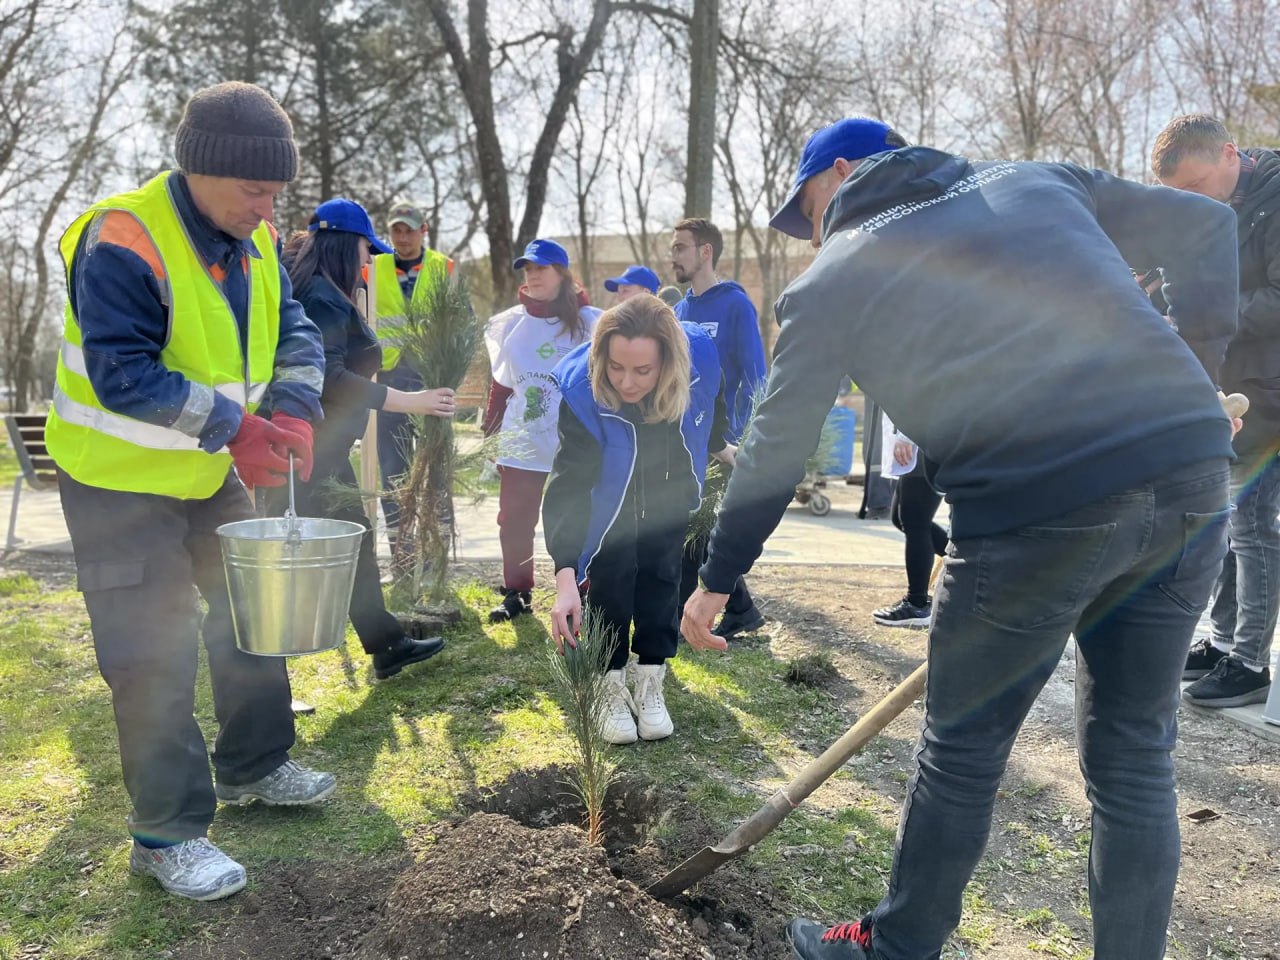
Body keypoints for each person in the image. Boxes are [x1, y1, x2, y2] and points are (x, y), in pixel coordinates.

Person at [681, 117, 1241, 960]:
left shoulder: (833, 276)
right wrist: (1200, 367)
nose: (813, 230)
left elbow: (776, 440)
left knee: (963, 747)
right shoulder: (1036, 181)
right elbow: (1209, 225)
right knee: (1133, 756)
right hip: (1192, 471)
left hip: (1034, 507)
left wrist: (717, 576)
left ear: (840, 173)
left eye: (808, 209)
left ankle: (893, 947)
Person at [46, 82, 336, 902]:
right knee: (153, 656)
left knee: (251, 611)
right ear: (202, 170)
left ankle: (257, 762)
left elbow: (297, 329)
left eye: (276, 189)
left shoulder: (255, 239)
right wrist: (238, 429)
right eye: (254, 187)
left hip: (204, 473)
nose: (267, 204)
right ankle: (166, 836)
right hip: (116, 484)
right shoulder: (124, 237)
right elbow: (122, 373)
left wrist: (294, 408)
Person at [276, 198, 454, 679]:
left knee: (353, 542)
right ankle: (266, 673)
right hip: (303, 451)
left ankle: (386, 643)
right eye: (363, 250)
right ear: (342, 245)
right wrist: (410, 401)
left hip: (320, 449)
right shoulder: (319, 296)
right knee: (283, 564)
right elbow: (329, 377)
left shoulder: (324, 291)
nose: (366, 261)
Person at [544, 295, 732, 744]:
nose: (627, 383)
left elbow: (713, 407)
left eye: (642, 371)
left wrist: (722, 447)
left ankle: (651, 680)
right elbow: (568, 483)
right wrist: (565, 573)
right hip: (608, 509)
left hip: (668, 500)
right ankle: (610, 685)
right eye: (616, 367)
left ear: (667, 363)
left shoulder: (700, 359)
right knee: (610, 588)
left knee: (663, 583)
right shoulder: (582, 391)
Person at [1152, 114, 1280, 708]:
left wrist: (1206, 309)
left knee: (1253, 524)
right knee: (1230, 521)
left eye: (1196, 189)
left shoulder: (1275, 197)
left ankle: (1251, 662)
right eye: (1176, 197)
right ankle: (1225, 642)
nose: (1188, 205)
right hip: (1236, 381)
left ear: (1230, 155)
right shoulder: (1213, 203)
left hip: (1272, 383)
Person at [482, 239, 601, 623]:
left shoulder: (590, 323)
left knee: (576, 514)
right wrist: (491, 430)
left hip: (573, 437)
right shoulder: (509, 324)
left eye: (541, 268)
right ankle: (518, 591)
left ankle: (581, 588)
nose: (531, 276)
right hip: (523, 436)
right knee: (514, 517)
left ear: (562, 274)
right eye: (527, 269)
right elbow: (501, 384)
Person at [669, 217, 767, 639]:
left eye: (680, 247)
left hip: (723, 440)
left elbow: (756, 374)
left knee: (704, 527)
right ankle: (731, 610)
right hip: (689, 439)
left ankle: (723, 609)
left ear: (705, 252)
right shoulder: (680, 311)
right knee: (694, 525)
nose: (672, 256)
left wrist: (737, 435)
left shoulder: (735, 305)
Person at [369, 199, 455, 570]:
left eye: (408, 229)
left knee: (437, 475)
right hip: (391, 386)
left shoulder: (443, 268)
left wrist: (451, 374)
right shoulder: (373, 268)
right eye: (395, 230)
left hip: (433, 383)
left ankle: (436, 566)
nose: (402, 237)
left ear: (423, 231)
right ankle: (402, 561)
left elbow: (460, 324)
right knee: (393, 475)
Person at [873, 417, 948, 628]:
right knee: (900, 518)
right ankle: (963, 559)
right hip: (919, 437)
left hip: (924, 439)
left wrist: (908, 435)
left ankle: (917, 603)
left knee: (915, 521)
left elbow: (930, 389)